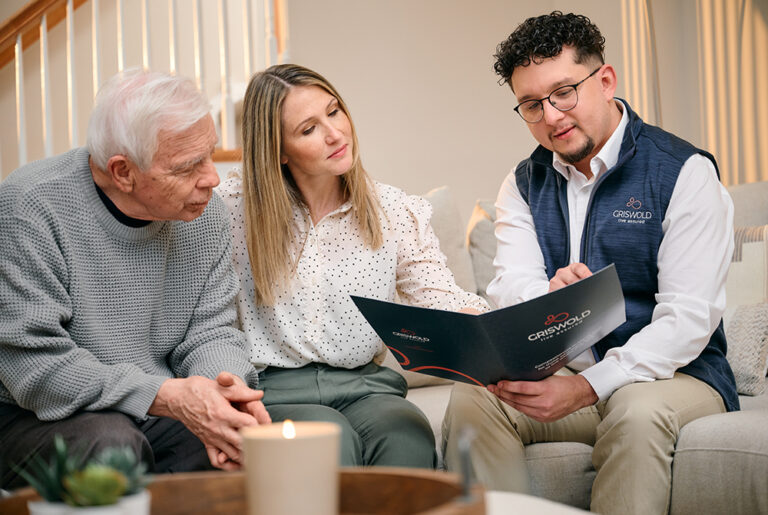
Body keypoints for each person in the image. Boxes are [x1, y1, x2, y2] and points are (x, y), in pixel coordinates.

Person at [441, 11, 738, 514]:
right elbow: (509, 289)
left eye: (563, 93)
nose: (552, 116)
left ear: (605, 81)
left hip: (675, 377)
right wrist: (547, 302)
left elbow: (687, 321)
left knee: (635, 411)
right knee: (474, 399)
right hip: (566, 374)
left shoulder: (683, 172)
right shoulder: (522, 183)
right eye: (532, 104)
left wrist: (585, 387)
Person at [0, 69, 270, 489]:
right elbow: (35, 369)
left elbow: (212, 331)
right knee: (111, 445)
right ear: (123, 172)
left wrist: (226, 391)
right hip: (32, 415)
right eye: (188, 167)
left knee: (239, 444)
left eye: (210, 154)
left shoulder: (204, 213)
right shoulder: (30, 206)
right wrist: (168, 397)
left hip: (150, 406)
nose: (212, 178)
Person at [217, 63, 489, 468]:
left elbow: (438, 297)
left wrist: (495, 328)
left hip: (366, 387)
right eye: (308, 129)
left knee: (407, 436)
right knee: (330, 440)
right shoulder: (231, 208)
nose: (335, 133)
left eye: (334, 111)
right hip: (274, 390)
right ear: (278, 150)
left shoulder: (393, 210)